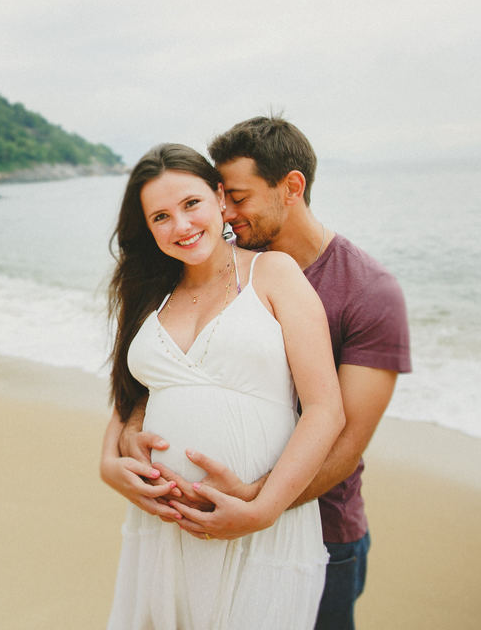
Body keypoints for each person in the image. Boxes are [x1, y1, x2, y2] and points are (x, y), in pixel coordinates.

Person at [102, 117, 411, 629]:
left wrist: (259, 505)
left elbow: (339, 427)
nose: (221, 213)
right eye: (160, 216)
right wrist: (112, 455)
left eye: (229, 199)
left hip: (314, 522)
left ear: (291, 188)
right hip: (169, 527)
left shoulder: (355, 289)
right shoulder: (158, 287)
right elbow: (148, 384)